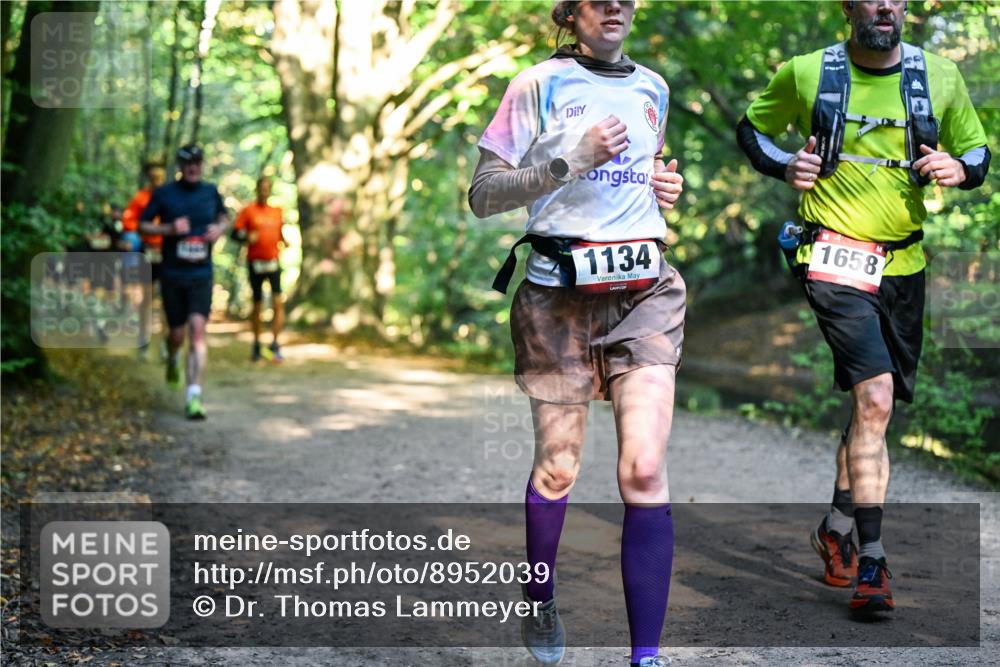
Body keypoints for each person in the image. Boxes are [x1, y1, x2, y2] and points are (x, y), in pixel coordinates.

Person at [736, 0, 990, 613]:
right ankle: (873, 563)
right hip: (831, 258)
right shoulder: (806, 73)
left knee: (872, 415)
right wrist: (783, 164)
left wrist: (957, 167)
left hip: (906, 265)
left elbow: (980, 155)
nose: (883, 5)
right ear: (849, 7)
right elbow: (751, 130)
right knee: (874, 398)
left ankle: (833, 527)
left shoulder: (939, 77)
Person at [469, 2, 685, 665]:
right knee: (559, 468)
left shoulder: (654, 88)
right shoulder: (537, 85)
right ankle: (540, 596)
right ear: (571, 11)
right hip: (556, 296)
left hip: (643, 293)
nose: (616, 5)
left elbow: (636, 186)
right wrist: (569, 161)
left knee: (645, 469)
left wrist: (666, 187)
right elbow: (483, 195)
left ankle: (644, 656)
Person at [139, 144, 229, 419]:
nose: (194, 167)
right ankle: (173, 354)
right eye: (188, 163)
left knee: (198, 331)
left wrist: (219, 228)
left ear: (202, 165)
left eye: (198, 162)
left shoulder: (210, 192)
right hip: (173, 275)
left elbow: (224, 216)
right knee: (177, 334)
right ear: (180, 166)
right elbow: (143, 225)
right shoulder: (164, 194)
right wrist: (168, 228)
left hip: (201, 274)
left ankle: (194, 396)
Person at [232, 176, 285, 362]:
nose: (264, 191)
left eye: (267, 188)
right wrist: (246, 238)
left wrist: (284, 242)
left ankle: (275, 343)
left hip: (273, 262)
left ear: (270, 190)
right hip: (255, 263)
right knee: (258, 304)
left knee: (278, 302)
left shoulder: (277, 211)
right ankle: (256, 343)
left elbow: (280, 234)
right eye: (262, 188)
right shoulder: (248, 211)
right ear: (257, 190)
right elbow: (235, 233)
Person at [123, 161, 167, 356]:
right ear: (149, 179)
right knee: (146, 296)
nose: (157, 182)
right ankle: (144, 340)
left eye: (160, 178)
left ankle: (167, 343)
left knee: (168, 299)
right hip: (146, 251)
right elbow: (128, 220)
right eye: (153, 178)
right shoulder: (141, 198)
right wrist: (140, 233)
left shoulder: (171, 198)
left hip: (166, 252)